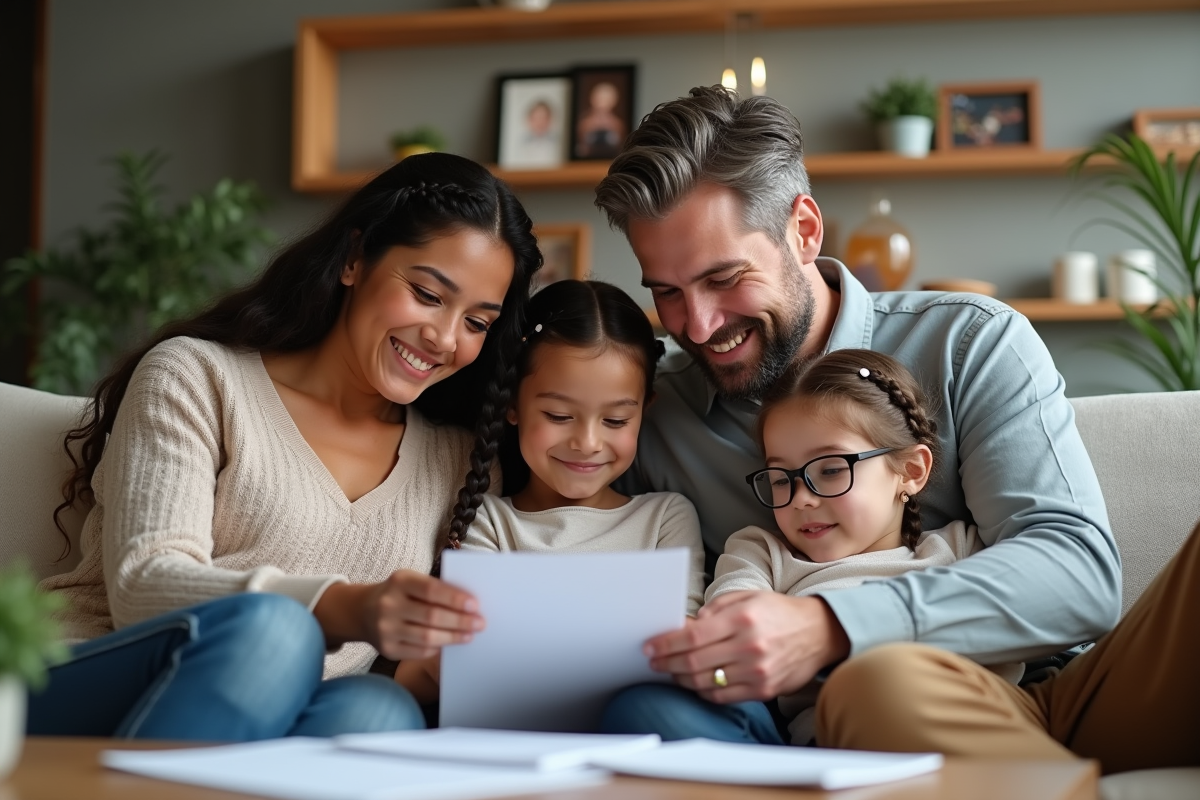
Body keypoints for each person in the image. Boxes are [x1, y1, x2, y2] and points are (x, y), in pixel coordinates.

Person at [591, 85, 1198, 773]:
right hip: (886, 709)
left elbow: (1077, 576)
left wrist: (832, 625)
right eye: (666, 292)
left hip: (1075, 690)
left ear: (804, 230)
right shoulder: (650, 414)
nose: (698, 326)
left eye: (724, 278)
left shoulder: (968, 342)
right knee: (874, 683)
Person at [28, 152, 542, 741]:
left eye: (477, 323)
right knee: (277, 631)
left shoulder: (460, 461)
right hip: (87, 673)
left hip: (279, 711)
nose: (445, 338)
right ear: (354, 258)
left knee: (378, 711)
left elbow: (414, 659)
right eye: (427, 293)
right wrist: (347, 608)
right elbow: (142, 588)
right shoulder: (197, 377)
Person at [605, 349, 1019, 745]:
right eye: (780, 479)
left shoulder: (960, 549)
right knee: (643, 708)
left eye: (831, 470)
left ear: (911, 470)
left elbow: (1010, 633)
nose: (801, 498)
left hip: (958, 723)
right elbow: (732, 631)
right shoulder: (762, 554)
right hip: (824, 742)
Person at [394, 279, 706, 704]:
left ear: (643, 412)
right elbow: (459, 658)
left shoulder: (666, 518)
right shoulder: (489, 523)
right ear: (513, 405)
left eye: (615, 421)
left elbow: (684, 645)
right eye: (559, 415)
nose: (587, 443)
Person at [575, 81, 626, 159]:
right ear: (592, 99)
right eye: (600, 98)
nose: (602, 102)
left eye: (607, 99)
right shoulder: (584, 123)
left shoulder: (618, 124)